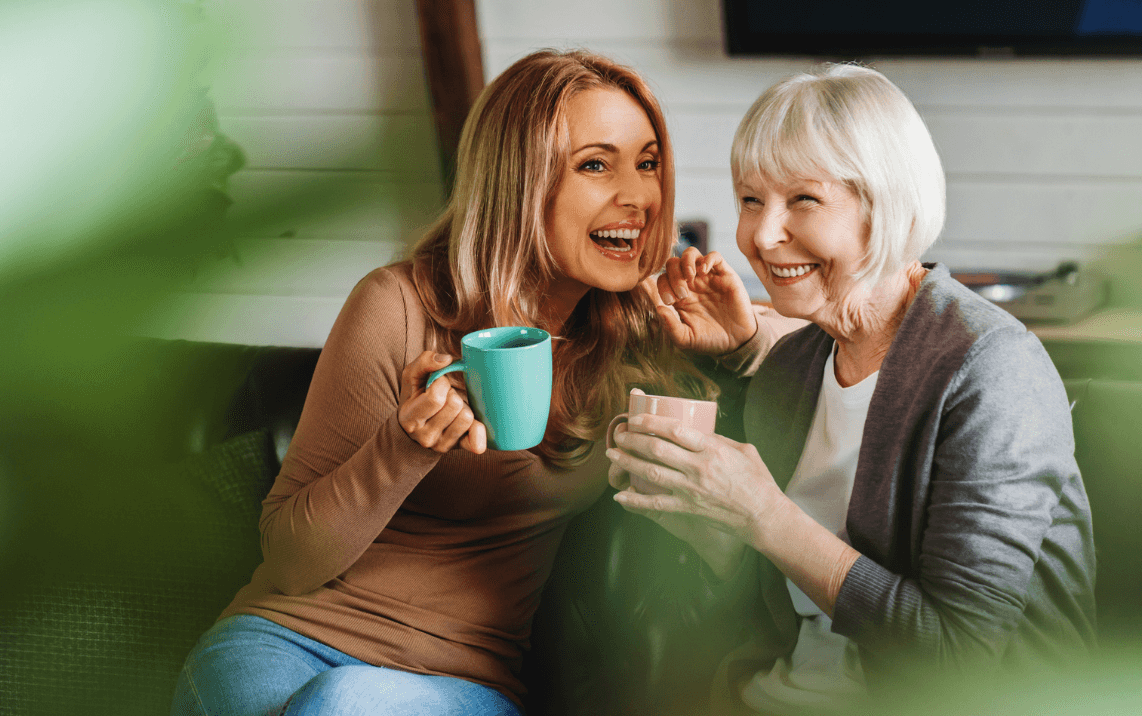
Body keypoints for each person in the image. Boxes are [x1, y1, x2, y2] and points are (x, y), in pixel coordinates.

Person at [170, 49, 722, 716]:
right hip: (283, 641)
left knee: (347, 703)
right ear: (519, 180)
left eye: (648, 162)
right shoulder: (397, 306)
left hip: (461, 685)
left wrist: (740, 347)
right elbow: (291, 562)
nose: (636, 196)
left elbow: (816, 339)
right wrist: (403, 449)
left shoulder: (638, 338)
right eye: (595, 165)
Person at [607, 64, 1097, 714]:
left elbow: (959, 655)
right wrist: (707, 520)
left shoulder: (990, 369)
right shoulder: (790, 370)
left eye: (802, 200)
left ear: (884, 203)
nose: (760, 234)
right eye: (751, 199)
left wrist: (762, 514)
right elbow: (785, 596)